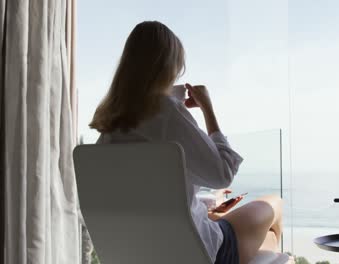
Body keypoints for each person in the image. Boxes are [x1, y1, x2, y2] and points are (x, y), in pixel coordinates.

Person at [89, 21, 283, 264]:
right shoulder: (165, 111)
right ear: (168, 67)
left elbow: (147, 196)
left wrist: (197, 206)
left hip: (141, 255)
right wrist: (207, 109)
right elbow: (222, 174)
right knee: (275, 207)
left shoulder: (109, 128)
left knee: (265, 242)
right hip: (199, 255)